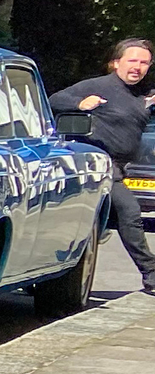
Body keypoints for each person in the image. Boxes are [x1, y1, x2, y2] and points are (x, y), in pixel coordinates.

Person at [51, 38, 155, 292]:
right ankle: (151, 274)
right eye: (132, 60)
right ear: (116, 63)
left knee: (97, 224)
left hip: (120, 167)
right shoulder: (99, 86)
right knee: (130, 215)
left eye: (144, 63)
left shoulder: (143, 94)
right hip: (97, 166)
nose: (138, 67)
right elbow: (54, 100)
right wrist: (79, 104)